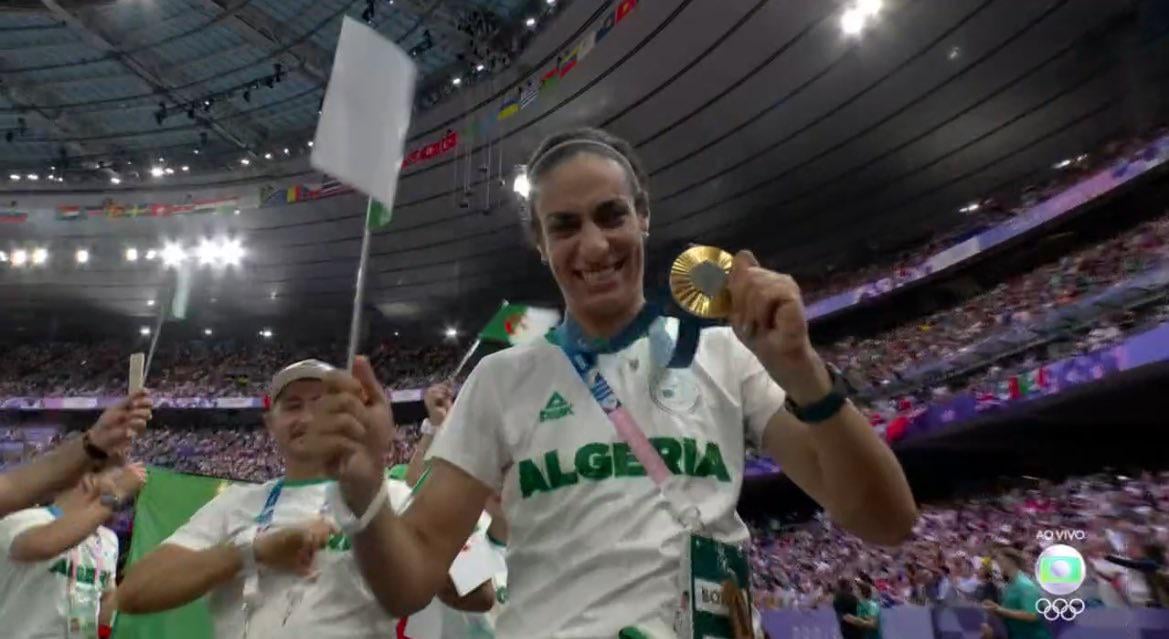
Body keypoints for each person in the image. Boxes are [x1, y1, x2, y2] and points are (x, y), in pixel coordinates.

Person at [305, 127, 917, 638]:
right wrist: (365, 489)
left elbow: (886, 522)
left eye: (611, 215)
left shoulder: (724, 352)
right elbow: (409, 581)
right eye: (565, 226)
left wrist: (805, 374)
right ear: (541, 245)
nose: (594, 245)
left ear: (642, 217)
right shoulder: (501, 380)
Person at [117, 359, 494, 638]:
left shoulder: (396, 497)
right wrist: (255, 553)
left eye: (321, 402)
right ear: (271, 424)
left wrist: (416, 557)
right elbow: (134, 593)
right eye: (293, 405)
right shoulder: (234, 504)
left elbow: (480, 592)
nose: (309, 416)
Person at [0, 460, 146, 639]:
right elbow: (45, 544)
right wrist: (117, 493)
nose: (126, 494)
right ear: (88, 479)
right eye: (119, 479)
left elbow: (106, 595)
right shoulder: (26, 520)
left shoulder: (108, 540)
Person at [0, 392, 152, 517]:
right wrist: (114, 494)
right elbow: (49, 536)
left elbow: (12, 486)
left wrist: (95, 441)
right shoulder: (26, 526)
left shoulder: (108, 541)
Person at [983, 547, 1051, 639]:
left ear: (1010, 562)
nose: (997, 565)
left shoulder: (1025, 585)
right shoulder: (1009, 586)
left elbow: (1032, 615)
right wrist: (995, 608)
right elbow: (1010, 610)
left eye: (999, 561)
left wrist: (999, 609)